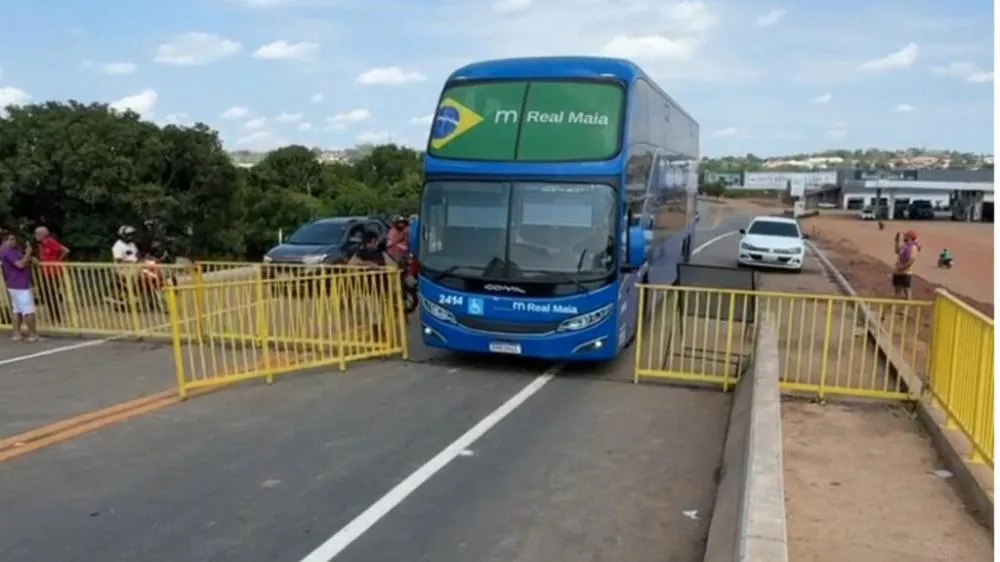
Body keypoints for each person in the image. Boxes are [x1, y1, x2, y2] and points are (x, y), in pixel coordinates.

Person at [347, 231, 395, 334]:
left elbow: (392, 266)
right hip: (368, 286)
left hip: (381, 285)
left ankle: (379, 327)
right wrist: (369, 264)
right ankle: (376, 329)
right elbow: (351, 264)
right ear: (371, 241)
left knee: (379, 308)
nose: (377, 243)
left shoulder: (380, 252)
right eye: (375, 241)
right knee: (374, 309)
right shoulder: (361, 253)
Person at [0, 230, 40, 342]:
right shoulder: (7, 251)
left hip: (13, 284)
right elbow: (20, 264)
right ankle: (33, 334)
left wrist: (30, 258)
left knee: (16, 309)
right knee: (28, 310)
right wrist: (29, 252)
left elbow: (22, 260)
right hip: (20, 284)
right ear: (5, 240)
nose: (14, 241)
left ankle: (17, 334)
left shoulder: (12, 250)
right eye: (11, 239)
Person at [35, 226, 70, 324]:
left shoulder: (50, 242)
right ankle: (54, 315)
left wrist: (57, 260)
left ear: (43, 235)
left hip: (53, 272)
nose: (36, 236)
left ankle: (56, 317)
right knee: (45, 294)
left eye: (37, 234)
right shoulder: (42, 244)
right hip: (45, 272)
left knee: (50, 294)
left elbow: (66, 250)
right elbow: (43, 257)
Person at [892, 230, 920, 300]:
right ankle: (895, 308)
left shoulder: (913, 247)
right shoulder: (905, 245)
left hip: (906, 272)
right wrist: (897, 241)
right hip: (898, 271)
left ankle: (905, 310)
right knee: (897, 291)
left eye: (906, 236)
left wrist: (902, 268)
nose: (904, 237)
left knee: (907, 292)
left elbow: (911, 261)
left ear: (910, 237)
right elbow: (897, 251)